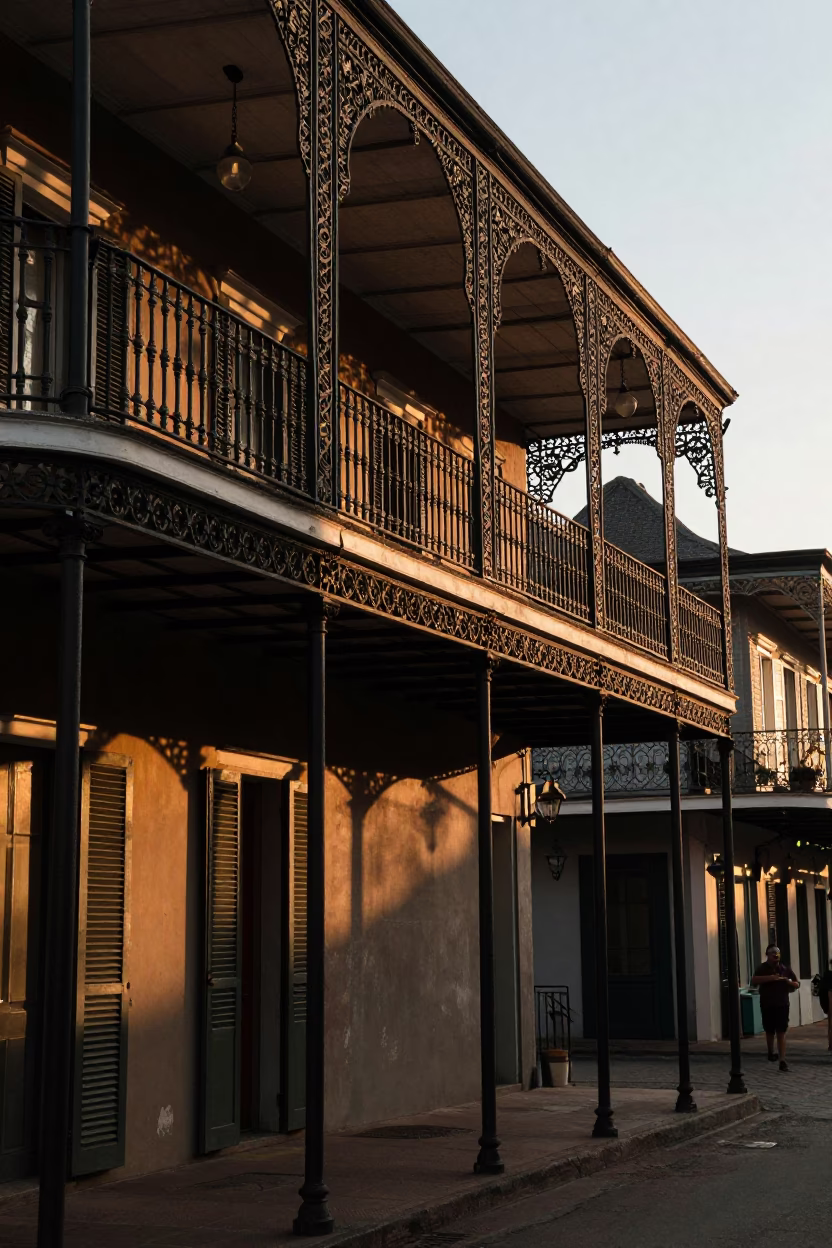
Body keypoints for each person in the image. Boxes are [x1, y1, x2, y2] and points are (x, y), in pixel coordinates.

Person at [751, 944, 798, 1071]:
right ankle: (771, 1052)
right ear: (767, 955)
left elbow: (796, 983)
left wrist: (787, 981)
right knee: (770, 1030)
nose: (775, 955)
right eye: (773, 953)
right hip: (767, 1003)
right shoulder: (762, 968)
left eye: (777, 952)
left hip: (782, 1004)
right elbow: (754, 980)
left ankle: (782, 1060)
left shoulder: (785, 969)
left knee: (781, 1031)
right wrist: (771, 978)